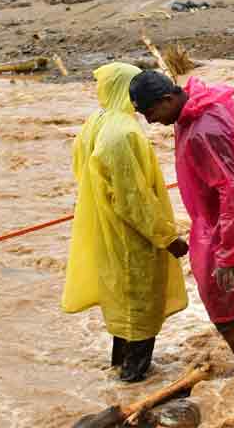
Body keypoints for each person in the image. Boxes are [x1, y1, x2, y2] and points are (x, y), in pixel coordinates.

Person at [129, 70, 234, 375]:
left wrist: (227, 255)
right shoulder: (206, 100)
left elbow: (232, 193)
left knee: (217, 290)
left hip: (228, 216)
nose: (150, 121)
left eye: (150, 113)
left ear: (167, 99)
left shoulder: (202, 131)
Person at [62, 63, 189, 383]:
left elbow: (83, 174)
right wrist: (167, 237)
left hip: (105, 229)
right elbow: (133, 199)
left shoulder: (96, 122)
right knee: (140, 308)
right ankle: (132, 384)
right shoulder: (122, 134)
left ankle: (119, 373)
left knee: (123, 304)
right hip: (132, 236)